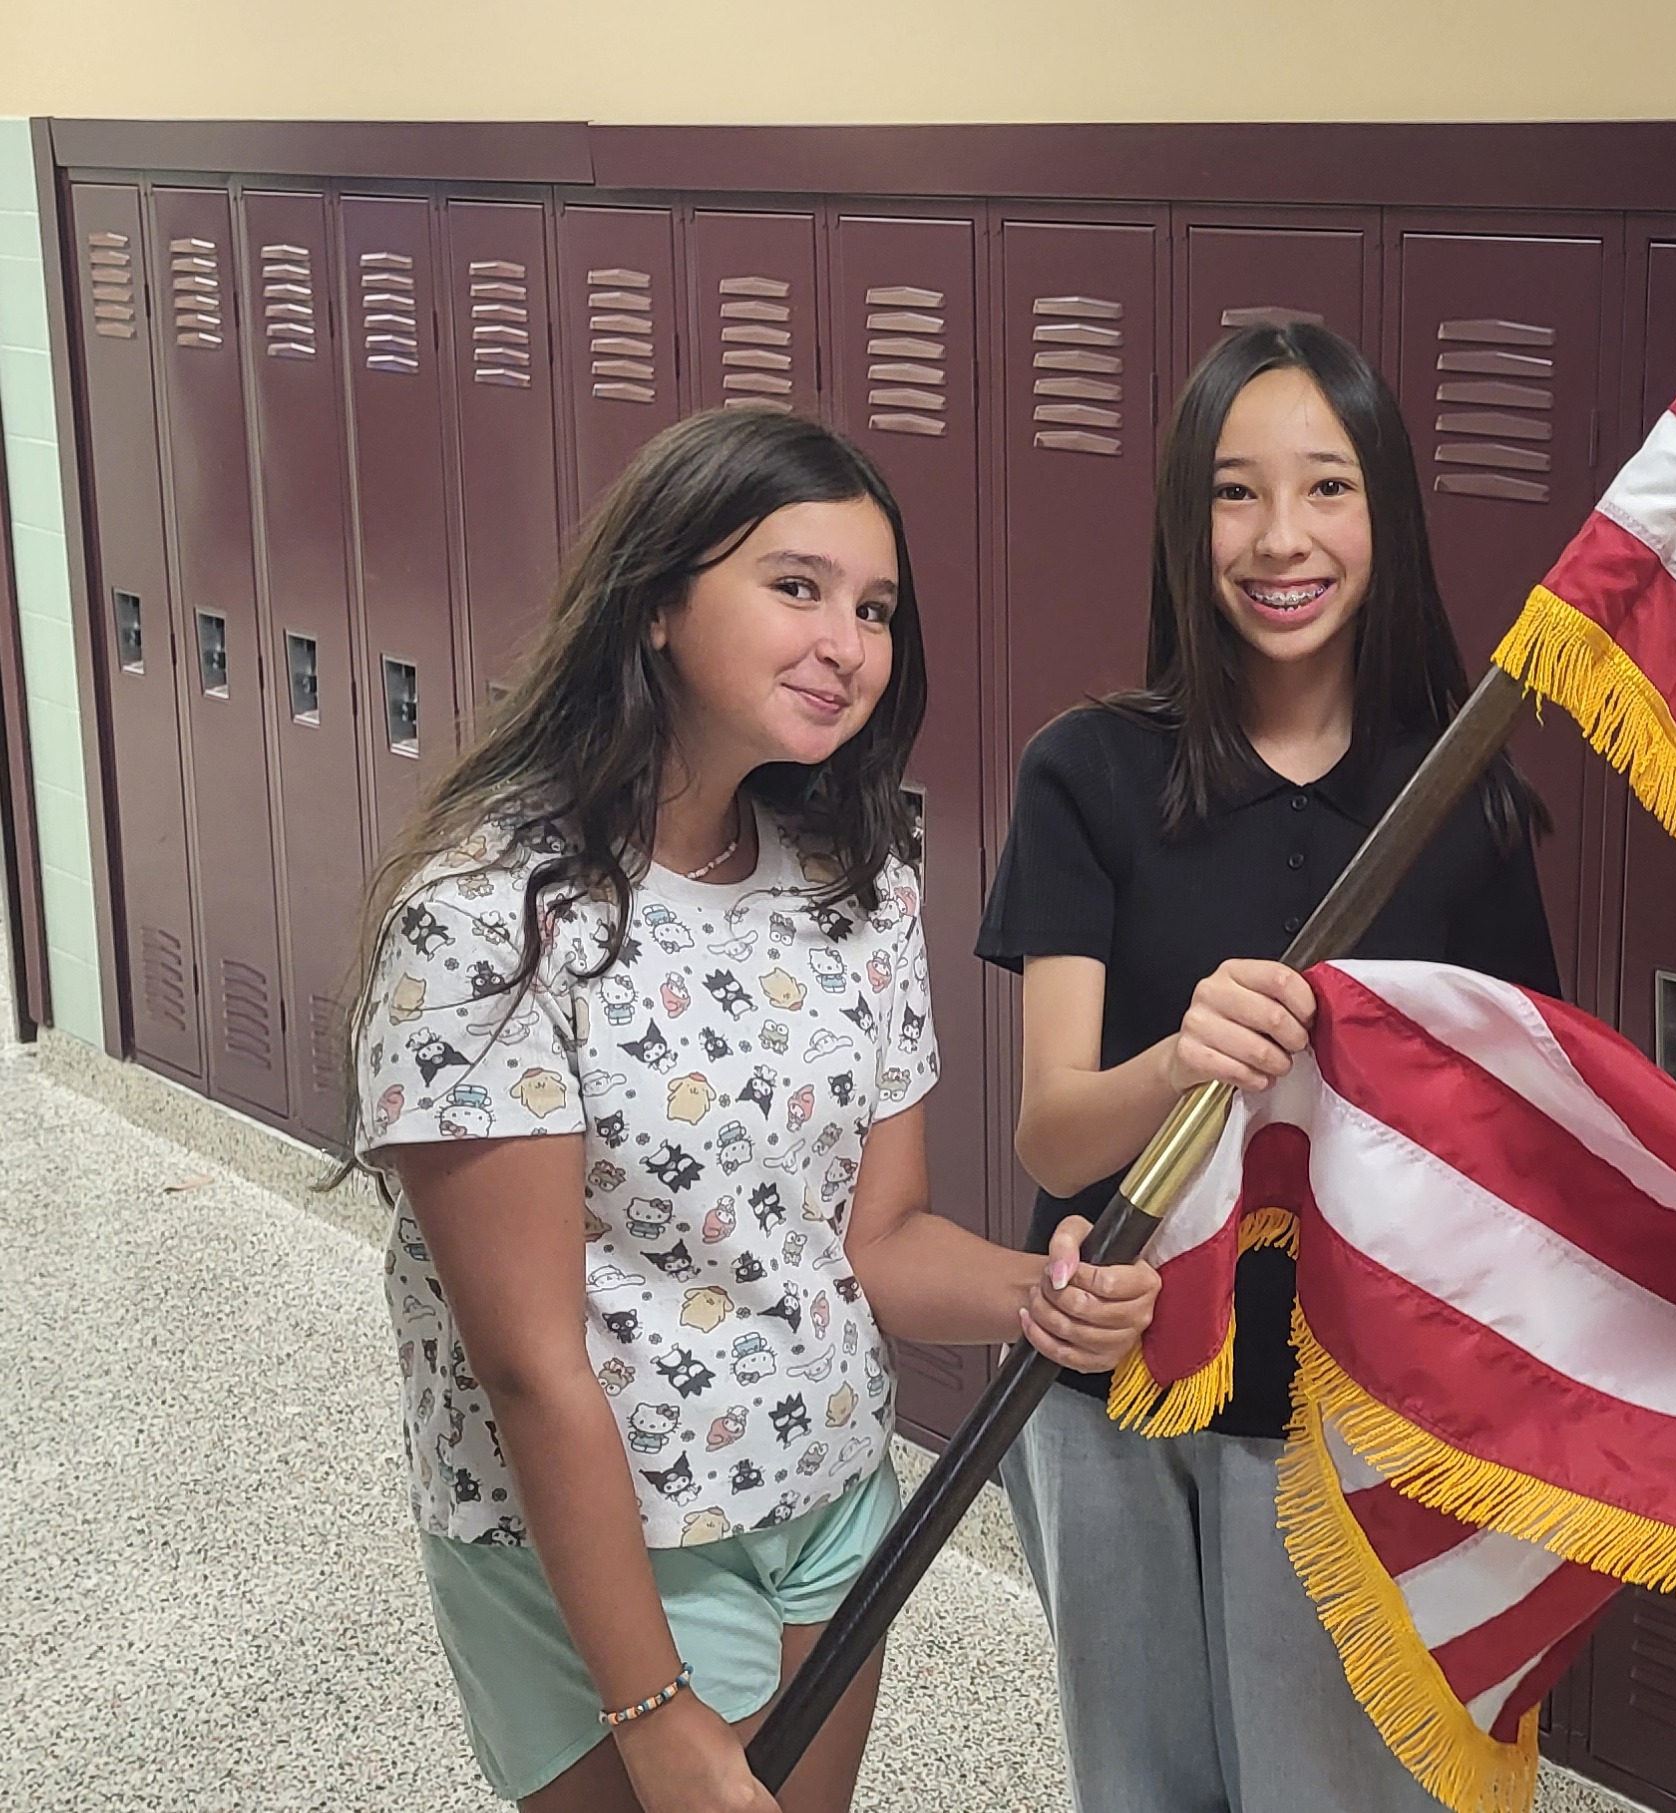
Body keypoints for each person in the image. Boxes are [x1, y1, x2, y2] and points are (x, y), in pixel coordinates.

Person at [339, 407, 1160, 1813]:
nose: (846, 643)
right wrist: (652, 1708)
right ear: (658, 604)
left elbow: (877, 1240)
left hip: (830, 1505)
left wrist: (1037, 1291)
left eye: (875, 608)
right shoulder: (489, 923)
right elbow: (531, 1366)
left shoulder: (857, 883)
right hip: (609, 1558)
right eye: (796, 587)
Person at [978, 322, 1563, 1811]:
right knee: (1143, 1782)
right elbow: (1054, 1137)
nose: (1280, 537)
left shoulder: (1458, 797)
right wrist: (1180, 1059)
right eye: (1235, 492)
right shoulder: (1087, 773)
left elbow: (1520, 1144)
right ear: (1187, 520)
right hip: (1118, 1372)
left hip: (1350, 1406)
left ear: (1387, 515)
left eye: (1328, 487)